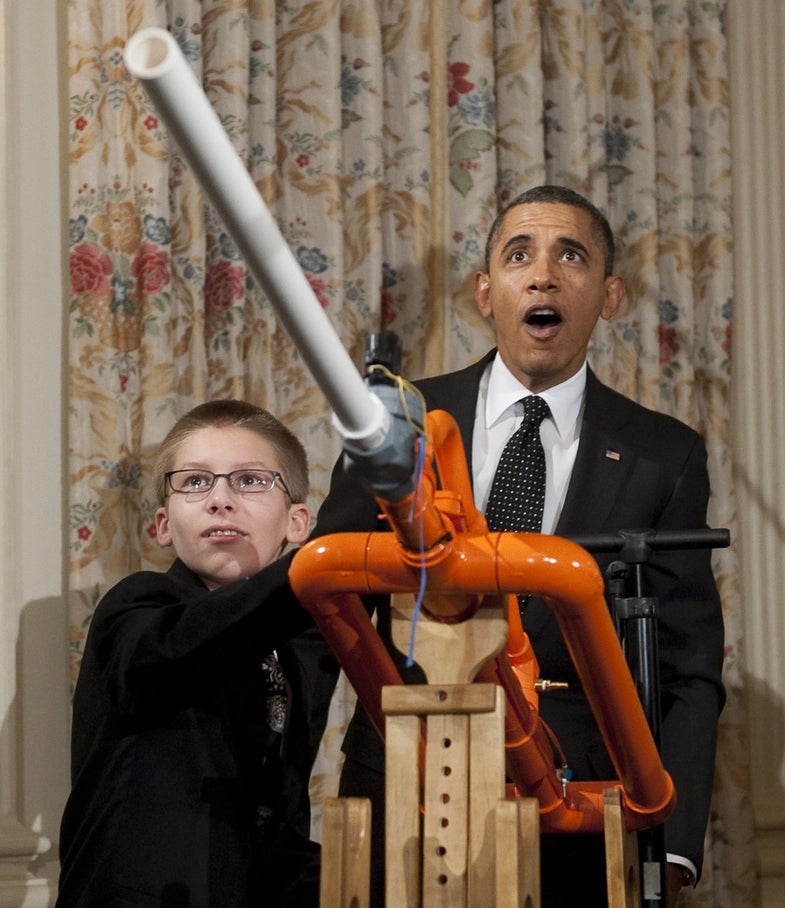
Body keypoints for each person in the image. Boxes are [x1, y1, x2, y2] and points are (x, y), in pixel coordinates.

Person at [312, 185, 726, 906]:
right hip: (402, 789)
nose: (543, 274)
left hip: (579, 804)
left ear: (608, 295)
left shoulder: (664, 454)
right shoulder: (396, 424)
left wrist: (673, 843)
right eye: (518, 255)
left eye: (571, 255)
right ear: (484, 291)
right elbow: (323, 614)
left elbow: (686, 664)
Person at [56, 400, 321, 908]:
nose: (220, 499)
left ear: (296, 521)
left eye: (250, 481)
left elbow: (272, 830)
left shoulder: (290, 653)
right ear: (162, 524)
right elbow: (193, 644)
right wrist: (322, 562)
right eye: (195, 482)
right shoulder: (137, 607)